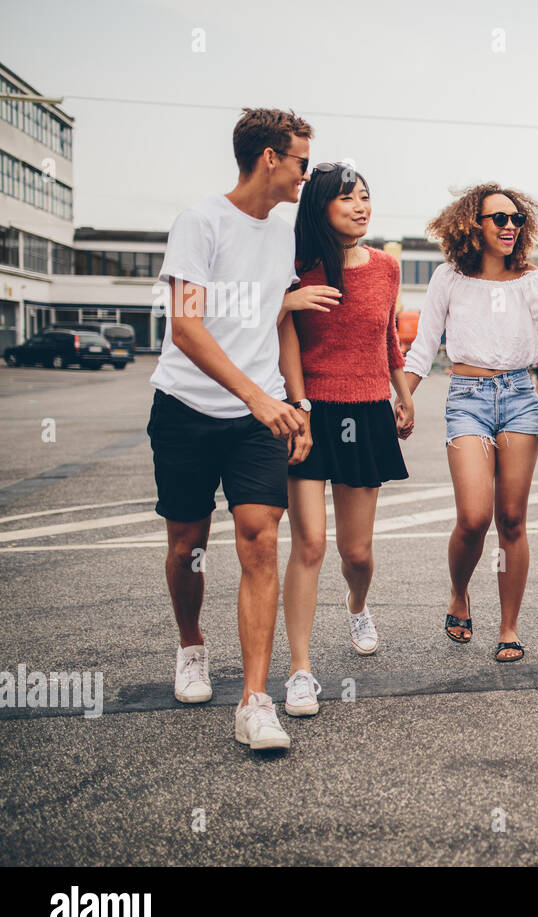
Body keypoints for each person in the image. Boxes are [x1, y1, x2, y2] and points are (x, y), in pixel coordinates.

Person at [151, 107, 314, 750]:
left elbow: (278, 323)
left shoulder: (284, 233)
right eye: (301, 160)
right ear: (270, 158)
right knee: (188, 541)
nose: (306, 173)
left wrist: (295, 404)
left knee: (259, 541)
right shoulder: (199, 222)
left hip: (260, 416)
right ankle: (192, 645)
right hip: (188, 409)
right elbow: (186, 328)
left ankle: (255, 700)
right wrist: (255, 397)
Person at [404, 184, 538, 663]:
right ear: (472, 225)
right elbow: (423, 346)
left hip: (520, 398)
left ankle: (509, 627)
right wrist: (401, 399)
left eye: (516, 219)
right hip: (468, 398)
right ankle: (459, 593)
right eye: (498, 218)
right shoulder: (449, 278)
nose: (509, 226)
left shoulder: (528, 279)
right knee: (474, 516)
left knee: (511, 519)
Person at [279, 163, 414, 717]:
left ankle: (357, 605)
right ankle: (300, 669)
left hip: (368, 411)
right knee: (309, 544)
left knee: (356, 552)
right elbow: (282, 336)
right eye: (347, 200)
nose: (361, 207)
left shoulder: (386, 266)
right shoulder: (296, 267)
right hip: (312, 413)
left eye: (365, 197)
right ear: (321, 208)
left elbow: (387, 338)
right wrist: (297, 405)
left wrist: (402, 392)